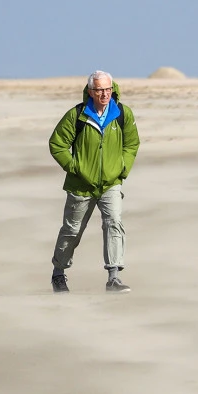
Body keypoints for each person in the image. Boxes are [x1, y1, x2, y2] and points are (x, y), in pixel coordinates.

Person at [47, 70, 140, 293]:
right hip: (81, 185)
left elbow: (132, 144)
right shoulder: (77, 115)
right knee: (72, 231)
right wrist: (74, 167)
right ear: (90, 91)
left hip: (111, 183)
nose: (104, 94)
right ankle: (58, 273)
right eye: (99, 90)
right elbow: (57, 144)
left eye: (108, 89)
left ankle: (114, 277)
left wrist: (122, 168)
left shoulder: (122, 113)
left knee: (114, 222)